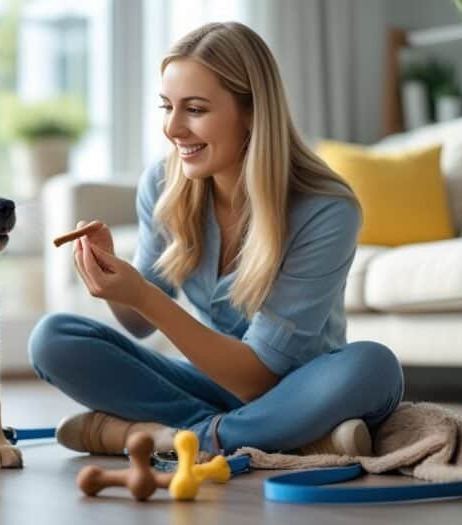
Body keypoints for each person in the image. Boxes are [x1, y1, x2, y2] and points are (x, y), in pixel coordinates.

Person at [28, 22, 404, 457]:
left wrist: (145, 297)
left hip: (302, 390)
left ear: (251, 113)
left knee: (375, 367)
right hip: (216, 386)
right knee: (53, 336)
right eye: (167, 106)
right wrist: (117, 278)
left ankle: (166, 438)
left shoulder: (325, 210)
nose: (172, 128)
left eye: (195, 109)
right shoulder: (164, 183)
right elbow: (138, 324)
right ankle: (274, 438)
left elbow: (258, 378)